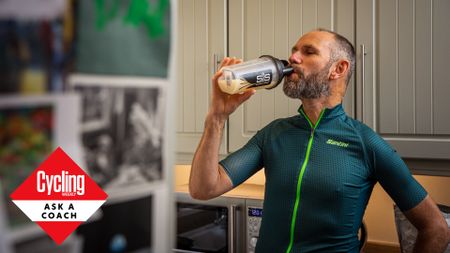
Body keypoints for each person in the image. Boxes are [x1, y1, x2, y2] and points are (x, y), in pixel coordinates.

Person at [189, 28, 450, 253]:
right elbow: (204, 188)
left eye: (308, 52)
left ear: (338, 69)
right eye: (294, 50)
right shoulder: (273, 134)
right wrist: (217, 116)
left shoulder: (366, 144)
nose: (292, 57)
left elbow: (436, 228)